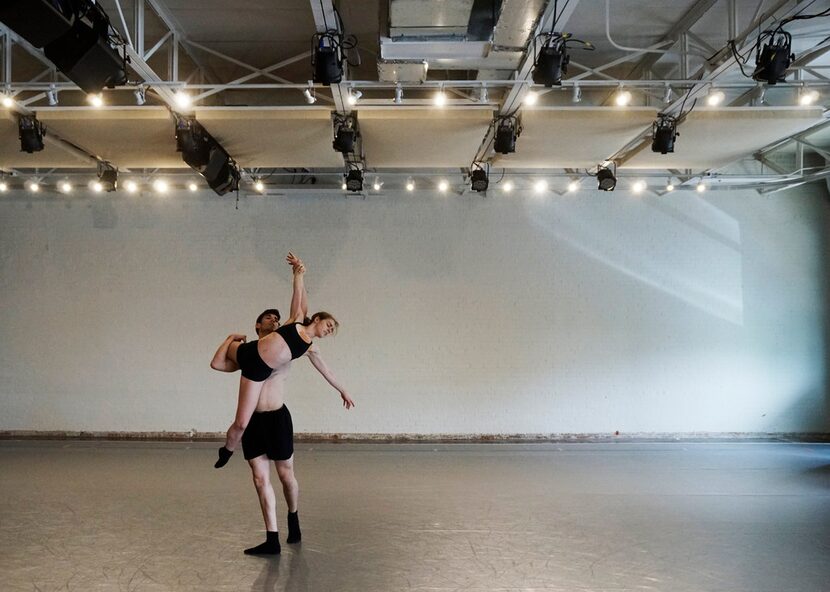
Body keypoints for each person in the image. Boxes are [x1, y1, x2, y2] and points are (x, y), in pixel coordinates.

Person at [210, 253, 355, 555]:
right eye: (328, 324)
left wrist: (342, 390)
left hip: (276, 417)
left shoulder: (302, 340)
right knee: (258, 473)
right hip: (253, 404)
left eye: (331, 330)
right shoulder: (269, 336)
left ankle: (293, 517)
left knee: (285, 475)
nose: (329, 330)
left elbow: (325, 367)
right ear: (317, 318)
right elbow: (219, 364)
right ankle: (272, 538)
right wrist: (298, 273)